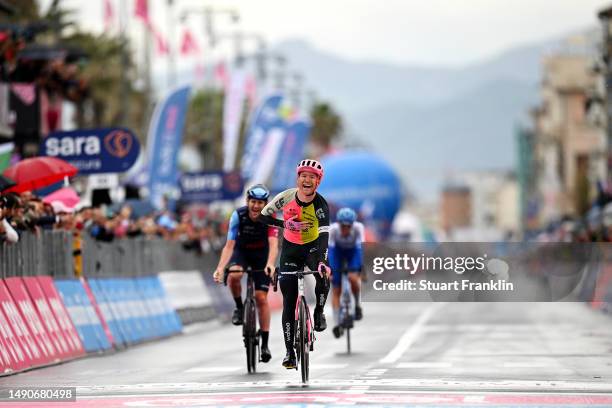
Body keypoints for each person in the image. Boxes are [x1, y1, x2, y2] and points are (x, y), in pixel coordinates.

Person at [258, 159, 331, 369]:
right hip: (290, 250)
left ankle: (318, 311)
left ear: (318, 182)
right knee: (289, 300)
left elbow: (325, 234)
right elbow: (263, 217)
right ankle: (290, 352)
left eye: (312, 177)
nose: (307, 180)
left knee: (323, 274)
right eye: (303, 176)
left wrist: (323, 261)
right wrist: (285, 224)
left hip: (313, 248)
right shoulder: (286, 197)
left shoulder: (321, 205)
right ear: (298, 178)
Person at [213, 184, 278, 363]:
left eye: (260, 203)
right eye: (253, 202)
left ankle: (264, 344)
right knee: (234, 275)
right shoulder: (238, 215)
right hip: (241, 253)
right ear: (247, 201)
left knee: (261, 298)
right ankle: (239, 307)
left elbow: (273, 244)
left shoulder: (270, 216)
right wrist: (220, 268)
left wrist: (271, 264)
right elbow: (229, 246)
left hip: (262, 256)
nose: (256, 206)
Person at [328, 207, 365, 338]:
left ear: (352, 224)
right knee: (336, 288)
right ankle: (338, 324)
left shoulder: (358, 228)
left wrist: (360, 267)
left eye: (348, 226)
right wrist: (331, 270)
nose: (345, 229)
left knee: (353, 278)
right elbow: (330, 251)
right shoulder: (333, 230)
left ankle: (357, 305)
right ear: (338, 224)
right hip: (337, 253)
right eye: (343, 226)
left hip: (352, 253)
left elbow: (360, 248)